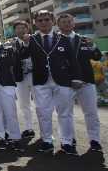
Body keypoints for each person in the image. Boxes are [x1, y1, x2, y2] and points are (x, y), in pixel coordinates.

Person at [21, 10, 82, 155]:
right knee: (43, 112)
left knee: (65, 113)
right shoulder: (32, 39)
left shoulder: (63, 38)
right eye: (40, 20)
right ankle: (47, 141)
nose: (43, 23)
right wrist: (25, 44)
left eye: (46, 19)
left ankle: (67, 142)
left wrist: (76, 78)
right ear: (35, 23)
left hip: (62, 81)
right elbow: (23, 56)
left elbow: (73, 60)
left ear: (53, 21)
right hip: (41, 82)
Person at [57, 13, 103, 152]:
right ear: (58, 25)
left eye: (69, 21)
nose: (66, 24)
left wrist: (93, 45)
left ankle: (95, 140)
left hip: (87, 82)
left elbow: (97, 56)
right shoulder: (55, 41)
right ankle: (67, 140)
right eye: (63, 22)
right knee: (65, 113)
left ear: (73, 23)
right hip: (65, 84)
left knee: (91, 113)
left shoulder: (84, 40)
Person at [0, 27, 23, 151]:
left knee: (10, 111)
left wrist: (14, 80)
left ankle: (15, 137)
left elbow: (17, 65)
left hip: (7, 84)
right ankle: (1, 137)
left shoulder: (10, 49)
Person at [11, 20, 35, 139]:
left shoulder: (35, 40)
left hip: (36, 76)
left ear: (28, 29)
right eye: (18, 28)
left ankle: (46, 132)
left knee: (41, 104)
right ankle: (28, 128)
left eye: (23, 28)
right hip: (20, 78)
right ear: (15, 31)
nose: (21, 30)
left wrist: (27, 43)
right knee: (24, 104)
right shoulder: (11, 44)